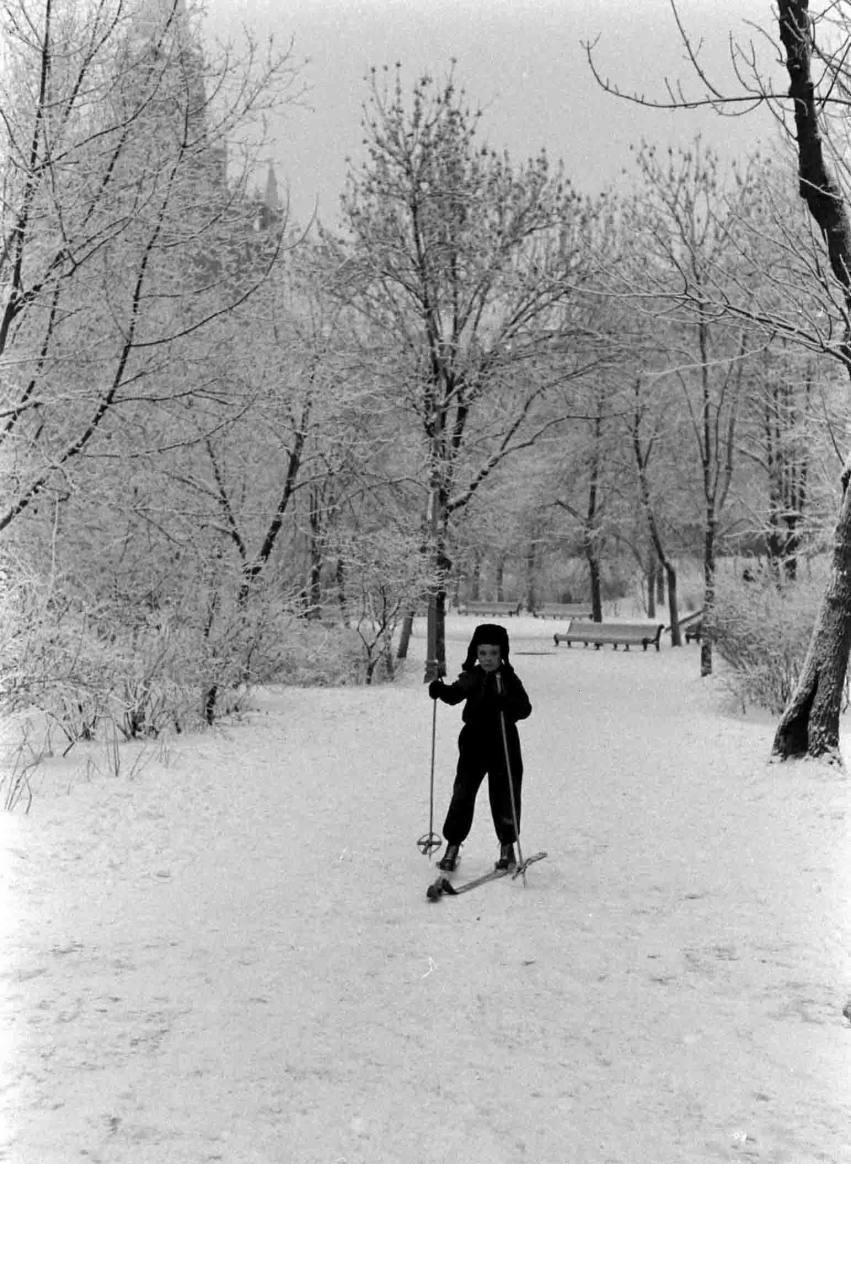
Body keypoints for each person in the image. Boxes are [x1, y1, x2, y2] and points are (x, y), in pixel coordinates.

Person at [428, 623, 532, 874]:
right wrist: (439, 689)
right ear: (475, 653)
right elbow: (454, 695)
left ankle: (507, 847)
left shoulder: (508, 678)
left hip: (504, 742)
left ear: (502, 653)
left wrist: (507, 702)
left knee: (505, 794)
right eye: (482, 653)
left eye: (493, 653)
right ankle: (453, 845)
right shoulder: (472, 676)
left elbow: (525, 708)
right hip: (474, 741)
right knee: (463, 793)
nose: (487, 658)